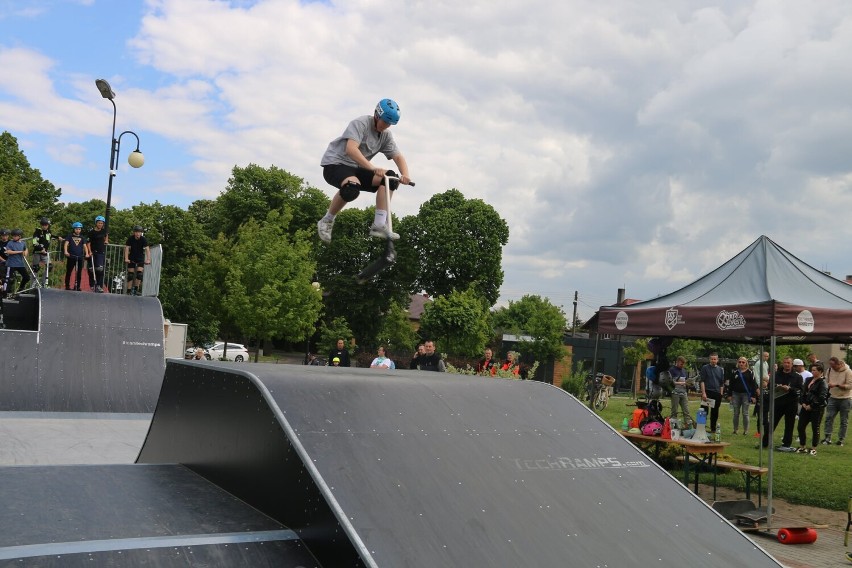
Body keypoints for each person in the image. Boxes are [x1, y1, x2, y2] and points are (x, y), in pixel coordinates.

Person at [317, 99, 413, 243]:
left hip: (356, 169)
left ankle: (379, 225)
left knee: (390, 179)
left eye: (389, 124)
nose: (386, 126)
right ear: (377, 115)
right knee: (352, 188)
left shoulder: (386, 135)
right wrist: (373, 168)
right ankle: (327, 220)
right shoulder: (361, 123)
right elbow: (351, 149)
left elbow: (398, 156)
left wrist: (406, 175)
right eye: (384, 122)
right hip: (335, 164)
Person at [762, 356, 803, 451]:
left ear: (792, 364)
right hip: (778, 403)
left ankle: (786, 444)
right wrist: (778, 386)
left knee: (789, 424)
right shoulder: (776, 375)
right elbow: (769, 387)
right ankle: (765, 442)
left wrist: (790, 389)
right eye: (785, 362)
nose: (786, 364)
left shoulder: (797, 377)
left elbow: (800, 390)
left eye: (788, 363)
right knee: (771, 423)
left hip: (791, 403)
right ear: (782, 364)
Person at [796, 362, 828, 455]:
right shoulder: (808, 379)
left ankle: (814, 448)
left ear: (820, 371)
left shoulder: (823, 383)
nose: (812, 372)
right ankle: (802, 446)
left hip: (816, 409)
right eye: (812, 370)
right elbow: (803, 392)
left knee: (815, 428)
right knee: (800, 427)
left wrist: (812, 406)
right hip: (805, 407)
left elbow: (822, 397)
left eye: (814, 370)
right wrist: (803, 403)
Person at [821, 356, 852, 447]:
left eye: (833, 365)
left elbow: (850, 386)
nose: (831, 367)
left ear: (838, 364)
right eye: (830, 365)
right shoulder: (830, 370)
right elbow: (826, 381)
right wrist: (827, 385)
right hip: (832, 397)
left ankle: (841, 439)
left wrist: (837, 385)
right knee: (828, 418)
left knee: (844, 420)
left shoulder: (848, 371)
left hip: (845, 398)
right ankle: (827, 438)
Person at [728, 357, 758, 436]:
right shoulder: (735, 372)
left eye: (743, 362)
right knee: (736, 413)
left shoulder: (750, 372)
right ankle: (735, 429)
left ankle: (746, 430)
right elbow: (731, 384)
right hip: (736, 394)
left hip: (746, 395)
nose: (741, 363)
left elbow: (753, 385)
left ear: (746, 363)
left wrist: (753, 396)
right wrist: (729, 395)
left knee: (745, 413)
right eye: (740, 362)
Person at [699, 352, 725, 432]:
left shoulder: (720, 370)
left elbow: (721, 383)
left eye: (715, 359)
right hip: (708, 392)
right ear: (709, 359)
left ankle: (713, 428)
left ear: (717, 360)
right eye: (712, 359)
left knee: (715, 412)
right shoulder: (705, 368)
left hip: (717, 393)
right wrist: (703, 393)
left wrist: (721, 394)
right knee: (704, 411)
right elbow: (702, 381)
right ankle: (701, 427)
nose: (713, 361)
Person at [31, 217, 60, 287]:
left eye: (46, 225)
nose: (44, 226)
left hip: (45, 253)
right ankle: (33, 284)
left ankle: (43, 283)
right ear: (41, 225)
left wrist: (58, 237)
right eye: (43, 225)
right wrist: (41, 249)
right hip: (37, 252)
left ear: (48, 225)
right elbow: (34, 242)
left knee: (49, 266)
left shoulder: (48, 232)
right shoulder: (37, 232)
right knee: (36, 268)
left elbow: (50, 236)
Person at [124, 226, 150, 296]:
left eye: (139, 232)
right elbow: (126, 249)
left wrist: (148, 259)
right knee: (130, 275)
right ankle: (128, 291)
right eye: (136, 232)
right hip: (132, 257)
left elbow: (147, 249)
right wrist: (126, 258)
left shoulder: (143, 239)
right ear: (134, 232)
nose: (138, 234)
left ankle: (135, 289)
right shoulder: (130, 239)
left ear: (141, 233)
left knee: (139, 274)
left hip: (140, 258)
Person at [63, 222, 88, 291]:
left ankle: (77, 286)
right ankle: (67, 285)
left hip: (80, 257)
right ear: (74, 229)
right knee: (69, 271)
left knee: (79, 272)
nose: (78, 230)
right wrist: (66, 251)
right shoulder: (70, 236)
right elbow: (66, 244)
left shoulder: (82, 238)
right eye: (76, 229)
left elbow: (85, 246)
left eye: (79, 229)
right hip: (71, 256)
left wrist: (87, 253)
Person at [4, 229, 30, 294]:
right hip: (11, 264)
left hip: (20, 264)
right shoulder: (10, 243)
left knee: (27, 277)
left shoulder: (23, 243)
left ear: (19, 236)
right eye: (13, 236)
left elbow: (25, 249)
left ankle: (21, 289)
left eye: (15, 236)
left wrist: (25, 252)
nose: (14, 237)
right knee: (9, 279)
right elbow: (8, 251)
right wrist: (20, 252)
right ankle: (5, 292)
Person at [87, 215, 108, 293]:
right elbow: (88, 243)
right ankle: (92, 285)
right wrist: (89, 251)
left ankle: (99, 285)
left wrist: (106, 241)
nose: (100, 225)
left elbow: (106, 236)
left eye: (102, 223)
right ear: (96, 223)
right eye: (99, 223)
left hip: (100, 252)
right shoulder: (91, 232)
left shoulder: (103, 231)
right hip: (92, 251)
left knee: (100, 269)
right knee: (91, 269)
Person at [669, 356, 691, 424]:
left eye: (684, 364)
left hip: (683, 393)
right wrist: (681, 383)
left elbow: (686, 380)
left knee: (686, 410)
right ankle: (673, 426)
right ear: (677, 362)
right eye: (681, 364)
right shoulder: (671, 370)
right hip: (675, 393)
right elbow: (670, 382)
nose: (683, 365)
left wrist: (688, 383)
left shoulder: (684, 371)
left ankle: (688, 425)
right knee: (674, 411)